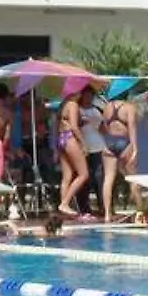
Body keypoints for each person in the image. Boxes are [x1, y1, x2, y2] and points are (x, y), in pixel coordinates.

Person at [96, 92, 136, 222]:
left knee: (108, 179)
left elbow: (101, 128)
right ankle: (139, 210)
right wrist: (134, 148)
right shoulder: (129, 107)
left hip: (109, 143)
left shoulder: (107, 107)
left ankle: (107, 214)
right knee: (133, 178)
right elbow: (132, 128)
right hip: (125, 142)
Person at [56, 89, 94, 219]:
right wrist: (83, 144)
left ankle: (63, 207)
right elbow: (73, 126)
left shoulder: (63, 104)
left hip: (61, 138)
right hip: (70, 138)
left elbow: (62, 123)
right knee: (83, 174)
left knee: (67, 176)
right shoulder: (73, 104)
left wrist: (81, 121)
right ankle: (65, 203)